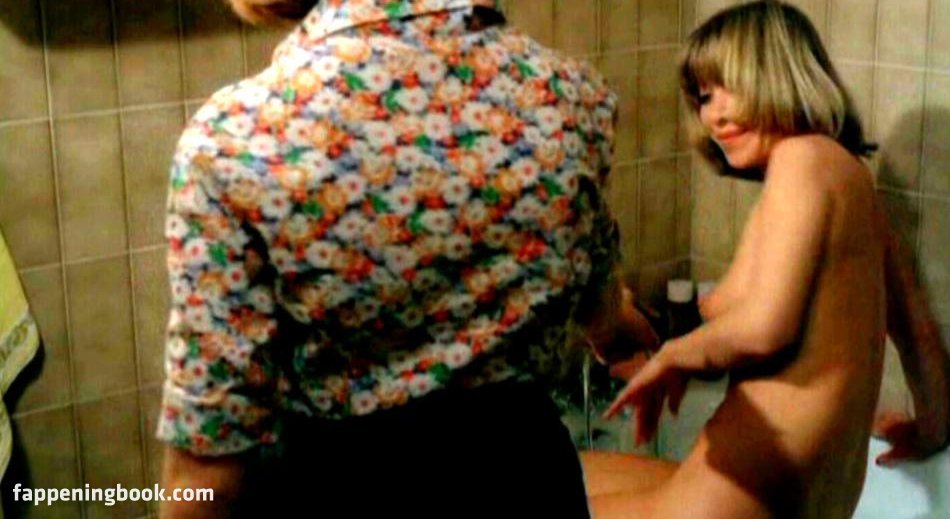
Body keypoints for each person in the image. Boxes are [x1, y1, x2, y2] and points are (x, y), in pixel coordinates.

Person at [156, 1, 655, 517]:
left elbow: (209, 472)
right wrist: (616, 330)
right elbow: (595, 298)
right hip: (526, 487)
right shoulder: (571, 96)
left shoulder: (235, 138)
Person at [586, 2, 950, 518]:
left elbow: (765, 328)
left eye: (729, 87)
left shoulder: (801, 159)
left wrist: (674, 355)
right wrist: (932, 429)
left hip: (729, 505)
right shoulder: (852, 182)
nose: (714, 116)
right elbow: (916, 330)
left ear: (780, 74)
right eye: (703, 97)